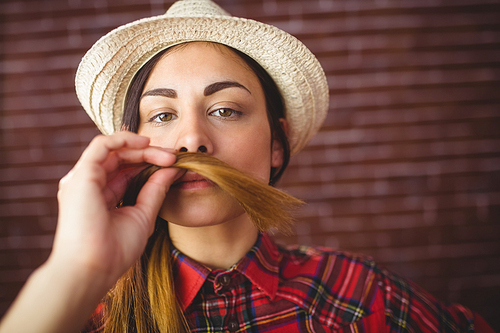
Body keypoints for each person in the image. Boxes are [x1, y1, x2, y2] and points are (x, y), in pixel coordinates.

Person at [0, 1, 494, 332]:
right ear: (132, 149)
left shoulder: (359, 295)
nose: (192, 137)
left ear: (277, 146)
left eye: (225, 110)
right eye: (163, 115)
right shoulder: (80, 314)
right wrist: (77, 270)